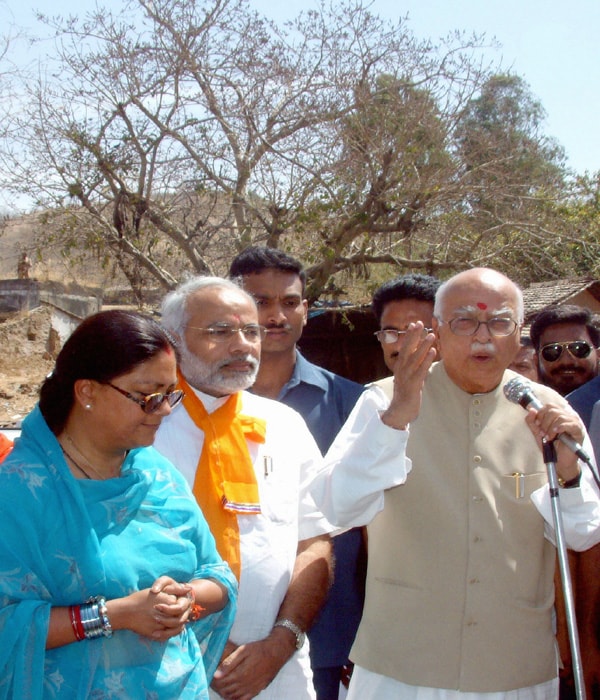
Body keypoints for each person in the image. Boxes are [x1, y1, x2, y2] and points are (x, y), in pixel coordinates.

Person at [313, 267, 600, 699]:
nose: (483, 338)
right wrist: (396, 419)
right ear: (437, 332)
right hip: (400, 668)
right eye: (465, 322)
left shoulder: (550, 410)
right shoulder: (383, 399)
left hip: (514, 668)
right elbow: (333, 510)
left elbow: (583, 534)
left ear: (518, 333)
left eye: (500, 322)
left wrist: (569, 473)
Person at [0, 310, 237, 699]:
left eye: (169, 395)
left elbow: (219, 577)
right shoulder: (20, 492)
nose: (163, 411)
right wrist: (115, 616)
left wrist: (182, 601)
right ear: (87, 392)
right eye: (147, 397)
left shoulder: (158, 476)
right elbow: (6, 622)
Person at [154, 276, 333, 700]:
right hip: (165, 660)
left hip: (275, 672)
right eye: (219, 332)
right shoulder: (145, 426)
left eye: (250, 331)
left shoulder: (285, 425)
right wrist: (207, 642)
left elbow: (315, 543)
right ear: (173, 340)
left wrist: (281, 643)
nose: (242, 345)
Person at [229, 246, 365, 700]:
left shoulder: (351, 404)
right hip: (210, 636)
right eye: (260, 302)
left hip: (326, 637)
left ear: (306, 309)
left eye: (290, 301)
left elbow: (368, 523)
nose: (276, 315)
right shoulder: (194, 408)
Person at [371, 273, 440, 374]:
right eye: (390, 333)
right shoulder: (375, 389)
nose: (401, 346)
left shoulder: (468, 387)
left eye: (417, 332)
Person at [529, 304, 599, 397]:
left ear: (598, 354)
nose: (566, 361)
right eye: (552, 352)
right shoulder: (522, 409)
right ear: (536, 360)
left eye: (578, 348)